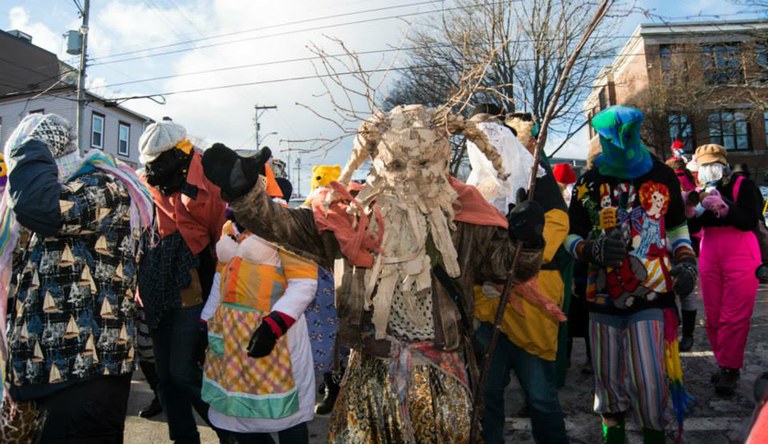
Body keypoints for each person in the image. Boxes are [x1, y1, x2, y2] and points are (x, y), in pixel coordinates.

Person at [200, 104, 546, 443]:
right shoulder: (351, 217)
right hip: (371, 371)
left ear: (440, 157)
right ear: (379, 160)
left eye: (423, 163)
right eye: (397, 164)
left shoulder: (467, 217)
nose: (410, 174)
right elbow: (287, 227)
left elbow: (508, 270)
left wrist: (526, 242)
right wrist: (246, 194)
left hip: (442, 372)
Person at [0, 113, 154, 442]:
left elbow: (43, 207)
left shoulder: (105, 186)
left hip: (88, 369)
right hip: (52, 367)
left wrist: (26, 151)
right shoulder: (68, 187)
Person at [566, 106, 697, 444]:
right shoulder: (588, 182)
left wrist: (685, 259)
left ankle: (655, 436)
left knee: (650, 381)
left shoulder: (662, 176)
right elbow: (569, 235)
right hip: (601, 298)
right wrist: (587, 250)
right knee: (607, 380)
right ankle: (614, 437)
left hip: (652, 295)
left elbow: (678, 225)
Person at [465, 104, 570, 444]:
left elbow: (557, 230)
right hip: (487, 311)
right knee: (486, 398)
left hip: (533, 311)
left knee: (541, 397)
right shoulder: (473, 193)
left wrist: (531, 239)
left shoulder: (538, 184)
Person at [200, 172, 316, 443]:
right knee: (241, 418)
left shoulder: (286, 223)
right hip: (231, 337)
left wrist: (272, 326)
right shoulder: (230, 227)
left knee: (287, 417)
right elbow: (220, 277)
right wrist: (204, 323)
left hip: (275, 336)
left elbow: (304, 283)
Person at [137, 120, 227, 443]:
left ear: (178, 153)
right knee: (164, 375)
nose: (153, 170)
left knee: (183, 370)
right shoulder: (145, 180)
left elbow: (221, 239)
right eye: (148, 163)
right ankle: (184, 438)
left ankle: (228, 431)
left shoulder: (210, 179)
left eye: (159, 162)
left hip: (194, 280)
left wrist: (220, 295)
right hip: (155, 279)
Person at [685, 144, 762, 396]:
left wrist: (726, 208)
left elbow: (750, 220)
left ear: (723, 162)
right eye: (704, 165)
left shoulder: (743, 185)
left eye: (713, 163)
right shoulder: (700, 190)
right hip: (710, 253)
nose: (709, 169)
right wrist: (690, 212)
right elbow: (693, 227)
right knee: (715, 315)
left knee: (734, 315)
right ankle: (724, 361)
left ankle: (729, 368)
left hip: (741, 252)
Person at [665, 155, 699, 352]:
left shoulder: (671, 183)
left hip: (673, 243)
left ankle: (683, 332)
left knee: (676, 289)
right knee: (686, 291)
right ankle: (687, 334)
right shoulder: (687, 181)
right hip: (683, 243)